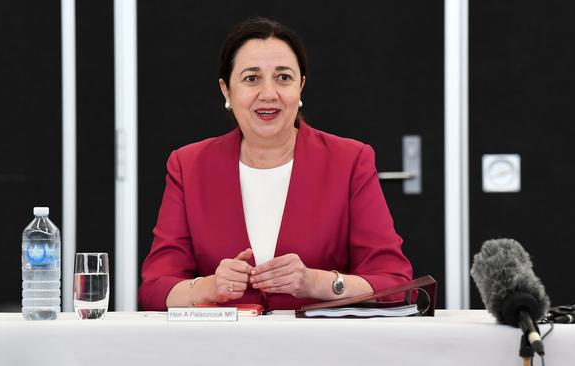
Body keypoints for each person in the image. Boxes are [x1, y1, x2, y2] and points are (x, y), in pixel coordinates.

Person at [138, 17, 413, 311]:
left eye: (283, 77)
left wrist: (316, 283)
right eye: (251, 78)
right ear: (226, 91)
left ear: (301, 86)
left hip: (321, 350)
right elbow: (154, 289)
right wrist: (207, 287)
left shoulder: (350, 160)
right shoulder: (188, 165)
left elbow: (395, 284)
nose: (269, 94)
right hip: (221, 349)